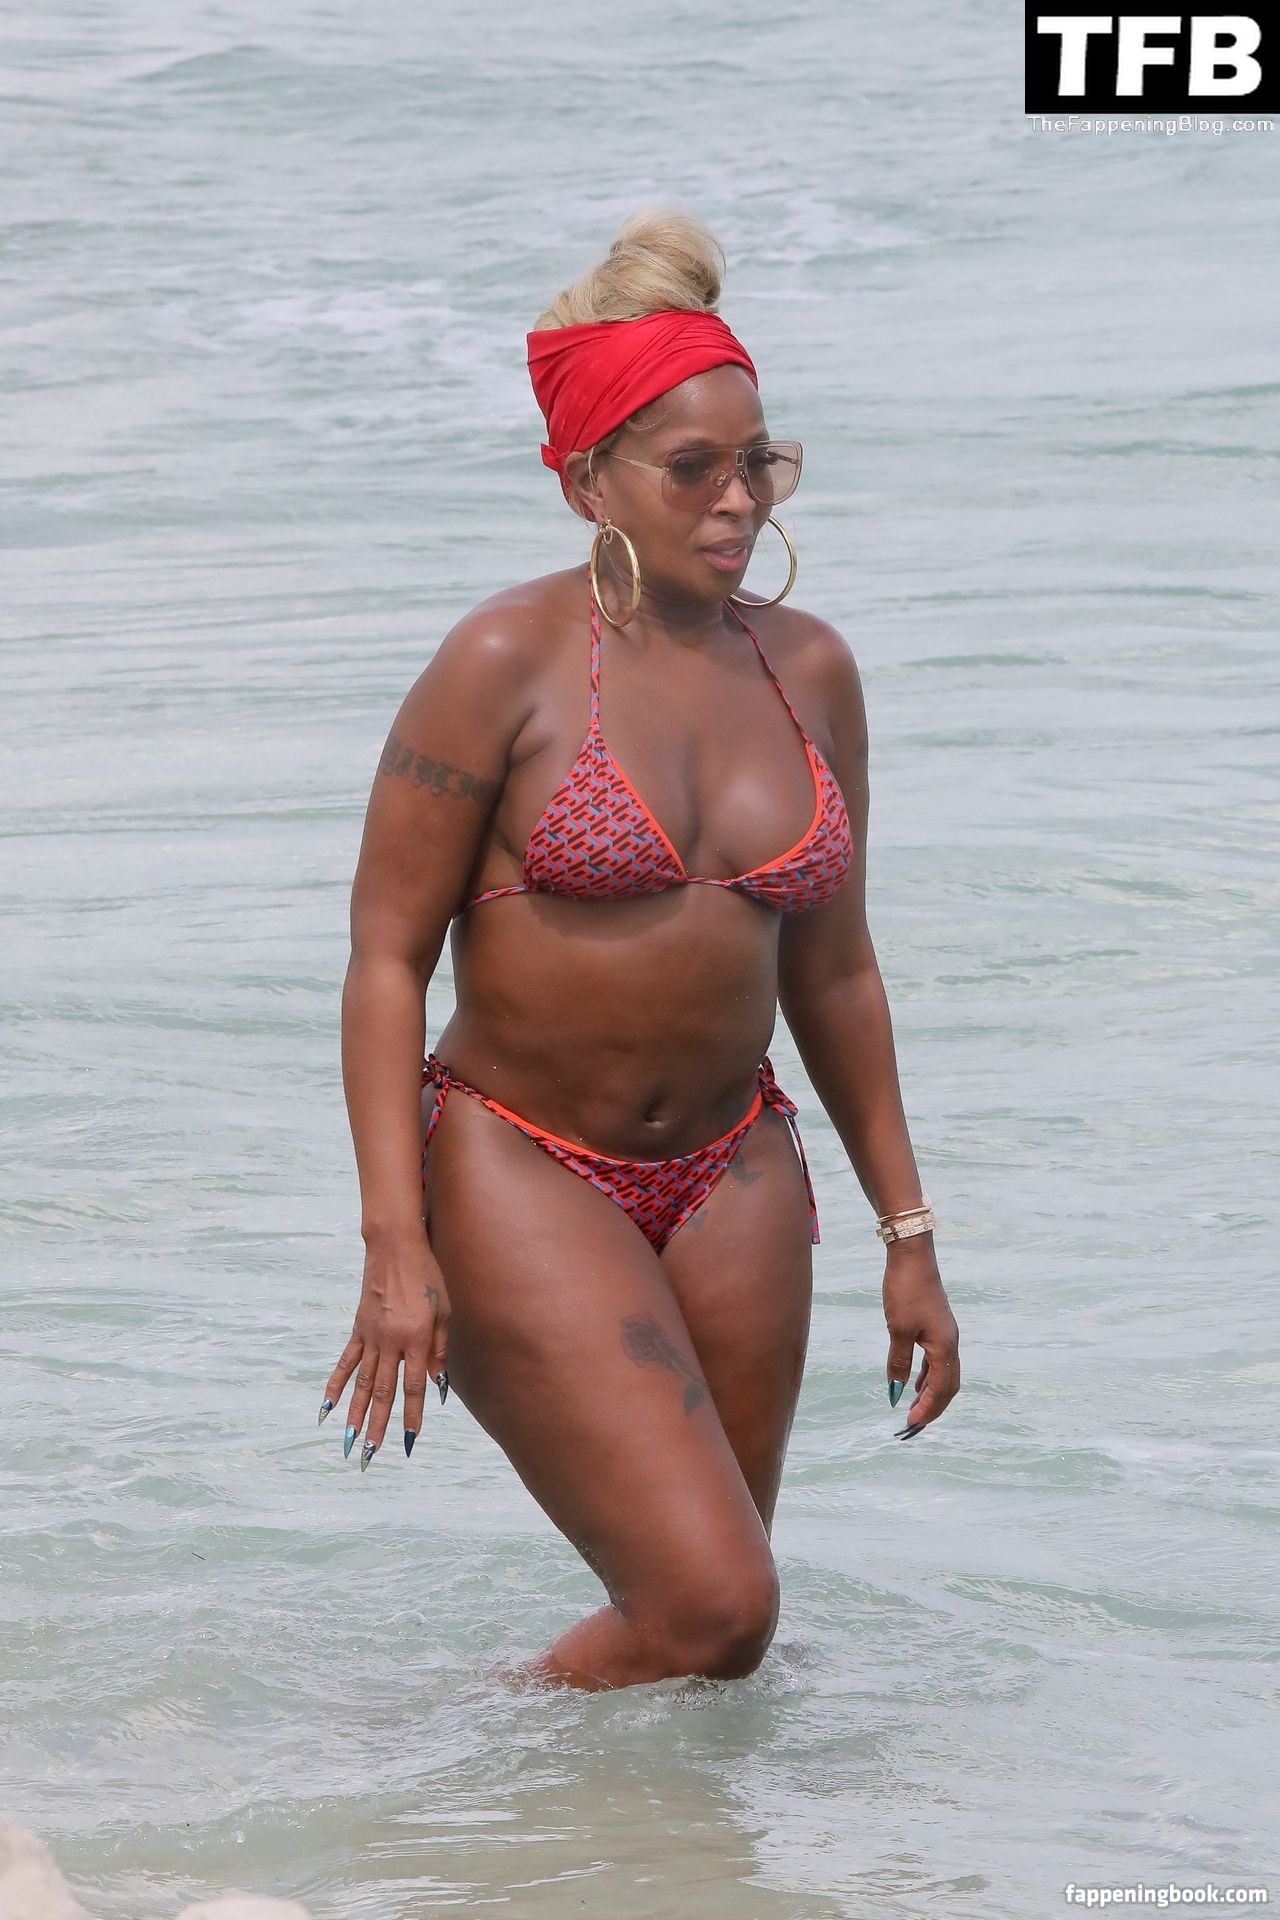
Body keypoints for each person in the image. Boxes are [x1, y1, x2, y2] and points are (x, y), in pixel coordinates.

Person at [321, 210, 960, 1692]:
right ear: (584, 480)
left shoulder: (809, 670)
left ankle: (606, 1831)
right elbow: (382, 958)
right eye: (692, 467)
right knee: (715, 1604)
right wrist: (394, 1247)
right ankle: (437, 1764)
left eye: (760, 461)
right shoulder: (502, 663)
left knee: (711, 1645)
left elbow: (836, 973)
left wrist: (910, 1236)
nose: (737, 498)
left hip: (734, 1170)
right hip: (519, 1162)